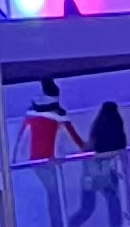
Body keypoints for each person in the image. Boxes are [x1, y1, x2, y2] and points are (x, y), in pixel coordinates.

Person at [22, 78, 86, 227]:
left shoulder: (31, 115)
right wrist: (87, 150)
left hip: (34, 161)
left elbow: (22, 139)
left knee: (53, 195)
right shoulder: (59, 117)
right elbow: (75, 139)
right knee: (55, 195)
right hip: (49, 162)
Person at [78, 97, 128, 227]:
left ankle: (70, 224)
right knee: (113, 203)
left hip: (94, 172)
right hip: (104, 172)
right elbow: (121, 153)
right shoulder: (117, 133)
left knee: (87, 208)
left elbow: (88, 151)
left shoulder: (96, 130)